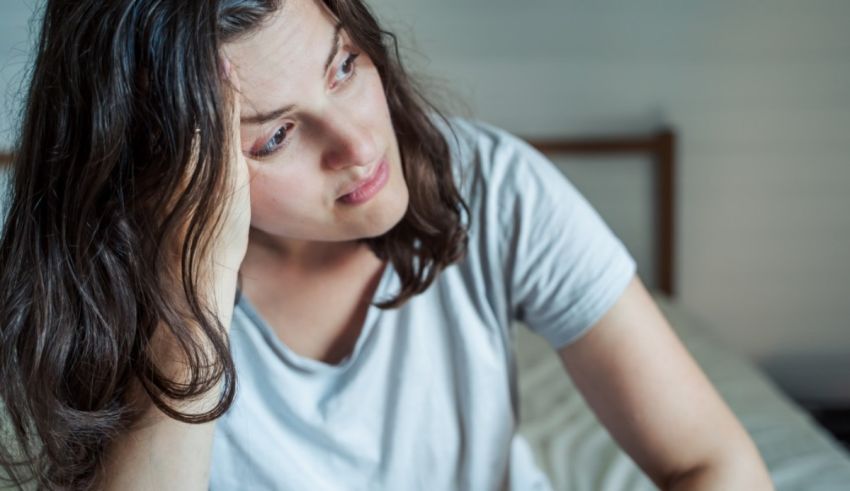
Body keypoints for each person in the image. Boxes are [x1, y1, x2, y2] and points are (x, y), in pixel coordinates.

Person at [0, 0, 774, 489]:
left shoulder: (493, 185)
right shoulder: (120, 292)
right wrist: (191, 297)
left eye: (344, 65)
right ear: (165, 171)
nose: (359, 145)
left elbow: (715, 462)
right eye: (274, 136)